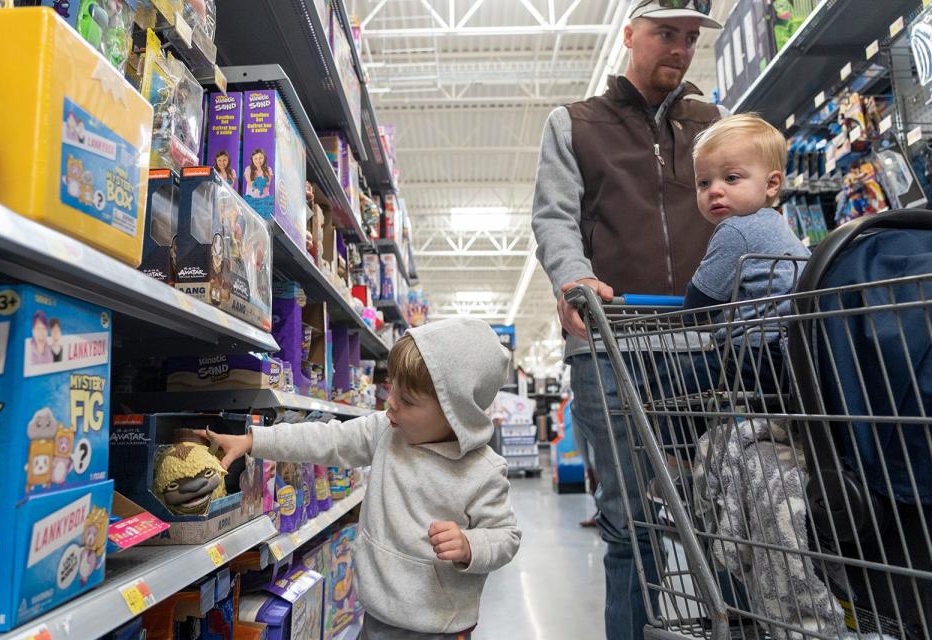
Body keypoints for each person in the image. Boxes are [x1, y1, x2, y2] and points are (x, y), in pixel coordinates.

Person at [531, 1, 723, 637]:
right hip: (612, 346)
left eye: (691, 38)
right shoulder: (575, 124)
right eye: (666, 34)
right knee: (630, 524)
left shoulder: (714, 123)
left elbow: (743, 203)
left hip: (707, 344)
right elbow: (555, 217)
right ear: (629, 35)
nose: (679, 48)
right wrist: (572, 277)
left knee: (732, 510)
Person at [202, 318, 521, 640]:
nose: (390, 402)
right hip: (375, 611)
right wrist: (255, 441)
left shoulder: (483, 471)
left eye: (407, 400)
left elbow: (505, 536)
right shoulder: (386, 430)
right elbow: (327, 440)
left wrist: (470, 544)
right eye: (391, 387)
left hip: (438, 625)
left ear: (458, 414)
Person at [654, 113, 811, 465]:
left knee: (674, 390)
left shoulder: (735, 231)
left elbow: (699, 303)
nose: (715, 191)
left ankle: (674, 466)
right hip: (790, 355)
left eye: (730, 178)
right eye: (703, 183)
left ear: (772, 184)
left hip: (753, 354)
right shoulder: (779, 227)